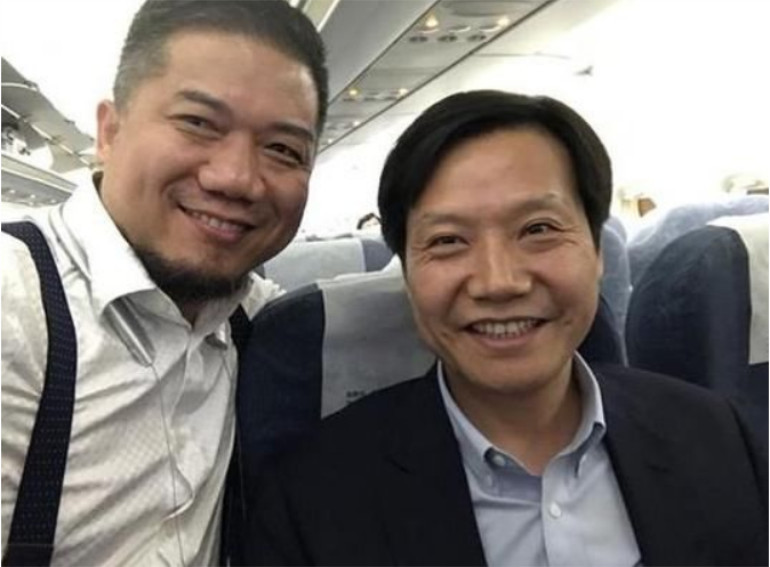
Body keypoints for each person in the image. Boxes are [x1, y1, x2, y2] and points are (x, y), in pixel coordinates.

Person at [244, 91, 767, 566]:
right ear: (407, 271)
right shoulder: (312, 497)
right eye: (448, 241)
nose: (499, 282)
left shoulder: (715, 436)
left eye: (538, 229)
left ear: (597, 251)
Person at [1, 1, 327, 565]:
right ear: (110, 130)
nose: (236, 179)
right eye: (198, 123)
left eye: (282, 149)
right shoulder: (15, 303)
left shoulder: (267, 324)